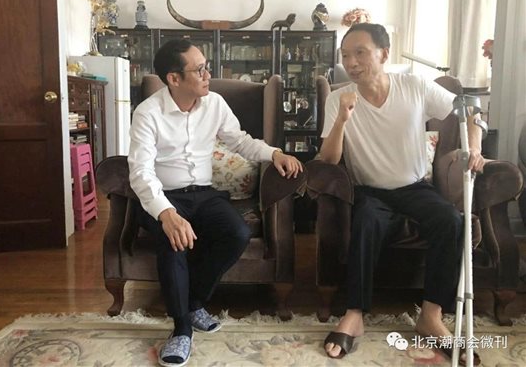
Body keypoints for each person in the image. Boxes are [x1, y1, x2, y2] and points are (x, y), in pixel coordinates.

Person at [128, 39, 303, 367]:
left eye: (206, 67)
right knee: (173, 240)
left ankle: (193, 302)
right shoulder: (148, 113)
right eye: (199, 70)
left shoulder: (215, 104)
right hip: (164, 196)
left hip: (204, 193)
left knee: (237, 233)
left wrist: (275, 154)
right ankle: (181, 328)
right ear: (174, 78)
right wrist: (166, 213)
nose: (208, 75)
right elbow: (140, 171)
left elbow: (240, 141)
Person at [319, 23, 484, 364]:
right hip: (370, 191)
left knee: (450, 220)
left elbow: (470, 110)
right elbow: (330, 160)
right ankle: (354, 314)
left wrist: (475, 147)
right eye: (345, 55)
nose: (351, 62)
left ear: (384, 53)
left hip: (414, 187)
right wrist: (342, 120)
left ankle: (431, 315)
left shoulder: (414, 86)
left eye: (360, 53)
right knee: (365, 221)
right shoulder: (338, 99)